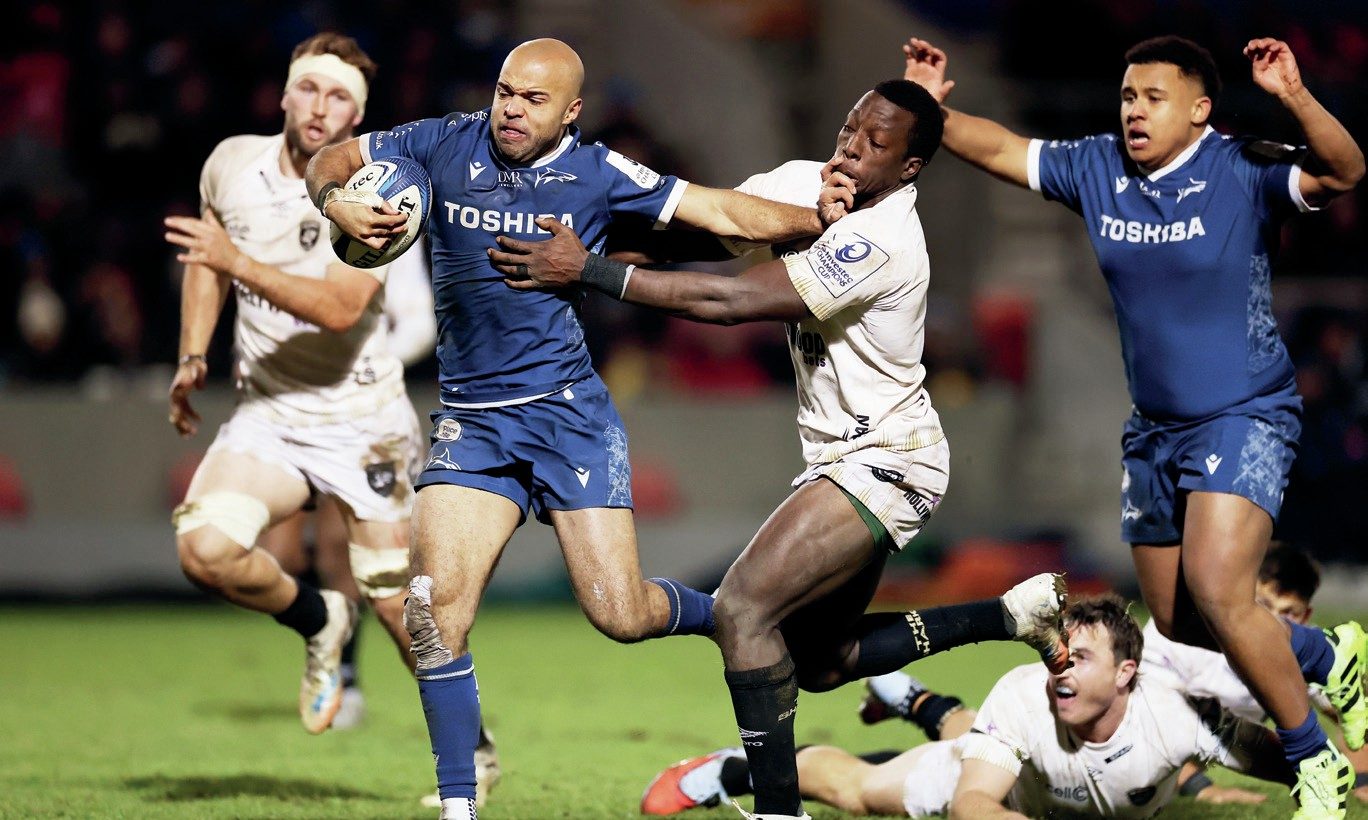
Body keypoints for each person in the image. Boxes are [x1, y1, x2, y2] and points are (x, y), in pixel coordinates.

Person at [488, 78, 1070, 820]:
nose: (850, 148)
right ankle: (1011, 615)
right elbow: (712, 233)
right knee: (823, 663)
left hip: (888, 458)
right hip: (844, 457)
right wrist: (600, 237)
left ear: (909, 168)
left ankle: (777, 810)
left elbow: (730, 300)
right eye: (851, 127)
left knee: (742, 611)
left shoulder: (882, 239)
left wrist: (592, 271)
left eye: (876, 144)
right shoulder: (807, 184)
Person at [305, 38, 850, 819]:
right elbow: (333, 157)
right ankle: (460, 805)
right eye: (505, 91)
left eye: (533, 99)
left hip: (568, 420)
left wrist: (816, 218)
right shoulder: (442, 142)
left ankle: (735, 613)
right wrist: (337, 201)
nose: (511, 109)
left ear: (571, 111)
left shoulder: (599, 173)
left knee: (619, 614)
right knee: (431, 614)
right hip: (474, 425)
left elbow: (721, 209)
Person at [901, 33, 1367, 817]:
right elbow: (1005, 149)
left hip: (1244, 413)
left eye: (1153, 98)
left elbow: (1345, 170)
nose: (1134, 111)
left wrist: (1293, 94)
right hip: (1155, 429)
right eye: (1126, 96)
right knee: (1182, 629)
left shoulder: (1239, 168)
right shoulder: (1098, 167)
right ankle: (1328, 655)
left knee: (1219, 591)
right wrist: (927, 110)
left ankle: (1315, 759)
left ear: (1200, 109)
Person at [163, 32, 421, 735]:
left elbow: (339, 309)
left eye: (339, 97)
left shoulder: (379, 192)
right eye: (308, 88)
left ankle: (471, 751)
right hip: (271, 414)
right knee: (205, 551)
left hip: (361, 419)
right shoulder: (231, 163)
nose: (319, 107)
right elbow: (207, 258)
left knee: (395, 604)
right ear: (283, 94)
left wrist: (236, 262)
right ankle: (320, 619)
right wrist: (192, 354)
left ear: (356, 118)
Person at [642, 594, 1296, 818]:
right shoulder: (1027, 689)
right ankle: (730, 770)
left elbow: (1297, 763)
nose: (1060, 667)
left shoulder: (1178, 713)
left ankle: (906, 694)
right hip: (1008, 793)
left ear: (1128, 673)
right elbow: (973, 804)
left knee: (981, 729)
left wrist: (1332, 768)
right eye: (1058, 653)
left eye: (1080, 658)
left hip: (1039, 764)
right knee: (858, 790)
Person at [1142, 543, 1368, 804]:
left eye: (1288, 613)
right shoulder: (1187, 628)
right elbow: (1146, 716)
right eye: (1264, 605)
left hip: (1225, 741)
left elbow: (1353, 713)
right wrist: (1199, 787)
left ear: (1305, 616)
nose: (1273, 622)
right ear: (1242, 593)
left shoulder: (1303, 648)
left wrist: (1363, 780)